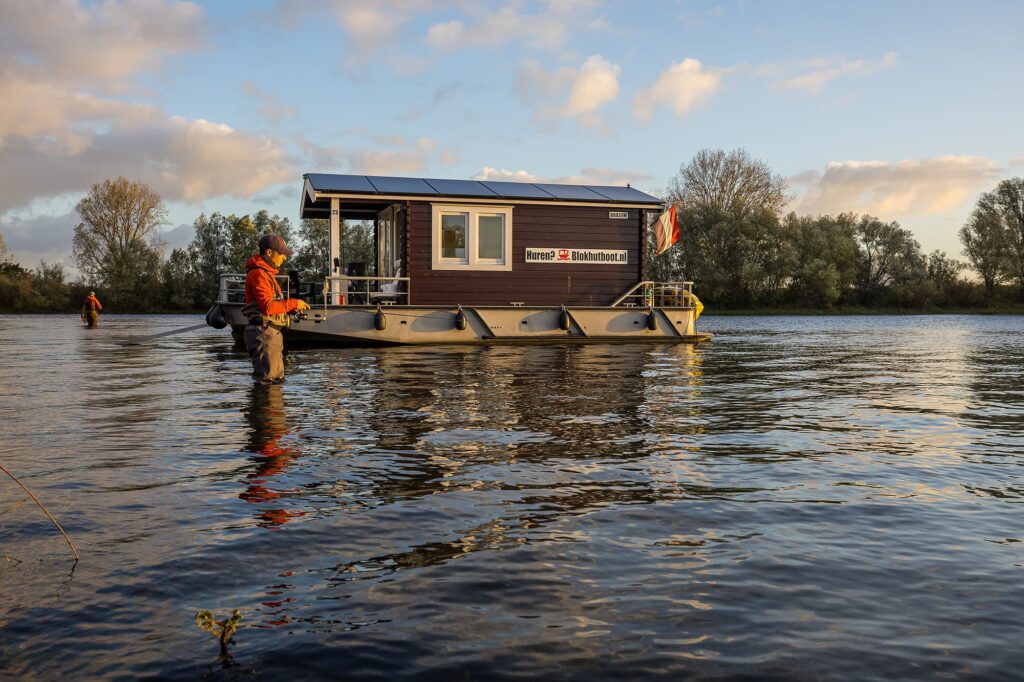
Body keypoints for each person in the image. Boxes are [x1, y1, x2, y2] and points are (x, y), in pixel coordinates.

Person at [241, 234, 310, 384]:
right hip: (264, 333)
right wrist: (293, 303)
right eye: (282, 253)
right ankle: (264, 408)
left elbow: (272, 304)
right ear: (269, 253)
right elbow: (267, 307)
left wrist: (290, 310)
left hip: (270, 333)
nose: (284, 257)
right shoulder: (259, 273)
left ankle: (271, 407)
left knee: (276, 382)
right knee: (268, 383)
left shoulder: (267, 273)